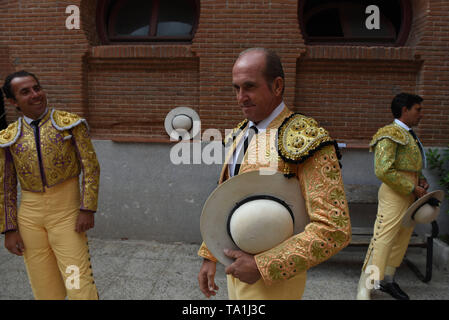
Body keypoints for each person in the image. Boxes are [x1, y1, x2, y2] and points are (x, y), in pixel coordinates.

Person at [197, 48, 351, 300]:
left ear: (277, 86)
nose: (240, 97)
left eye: (249, 86)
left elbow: (334, 229)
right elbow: (226, 198)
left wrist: (263, 265)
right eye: (235, 88)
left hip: (276, 283)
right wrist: (210, 255)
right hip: (235, 271)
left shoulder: (306, 138)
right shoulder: (239, 134)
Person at [0, 70, 100, 300]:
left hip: (67, 215)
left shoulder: (70, 124)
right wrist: (9, 229)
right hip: (29, 219)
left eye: (37, 88)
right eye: (25, 92)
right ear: (13, 101)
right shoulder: (9, 137)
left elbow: (91, 167)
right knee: (43, 285)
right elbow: (5, 186)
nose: (35, 94)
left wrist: (87, 207)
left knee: (77, 281)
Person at [357, 93, 428, 300]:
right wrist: (412, 187)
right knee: (383, 238)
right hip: (395, 193)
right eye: (418, 109)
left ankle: (387, 279)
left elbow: (409, 165)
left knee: (402, 236)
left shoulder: (408, 134)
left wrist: (420, 180)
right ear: (404, 110)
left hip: (410, 192)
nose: (421, 114)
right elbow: (383, 170)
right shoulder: (389, 133)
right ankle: (365, 286)